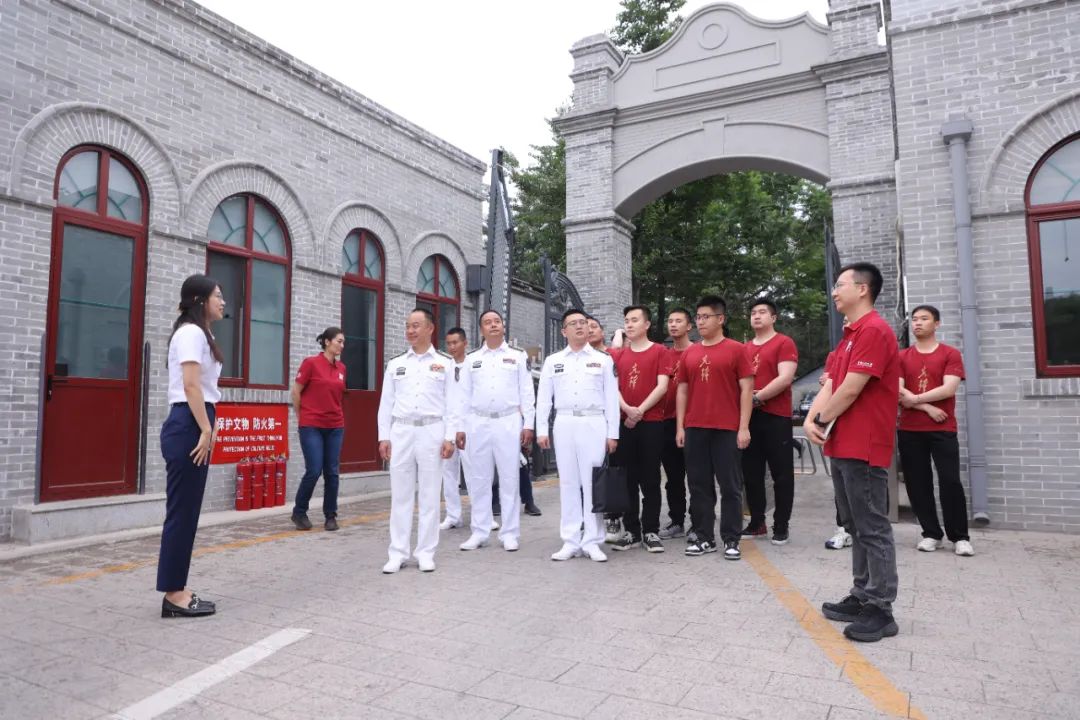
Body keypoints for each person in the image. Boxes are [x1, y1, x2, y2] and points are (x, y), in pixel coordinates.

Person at [805, 262, 901, 643]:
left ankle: (882, 608)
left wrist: (822, 418)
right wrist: (813, 420)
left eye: (840, 285)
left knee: (873, 526)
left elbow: (852, 388)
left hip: (864, 445)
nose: (834, 292)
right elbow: (831, 384)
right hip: (843, 443)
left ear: (862, 289)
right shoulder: (848, 337)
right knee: (856, 525)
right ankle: (863, 594)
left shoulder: (875, 331)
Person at [158, 274, 224, 618]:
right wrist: (206, 429)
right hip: (189, 424)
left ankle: (177, 587)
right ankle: (173, 594)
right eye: (217, 295)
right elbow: (190, 386)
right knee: (182, 514)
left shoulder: (202, 333)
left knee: (187, 513)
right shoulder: (190, 333)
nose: (223, 301)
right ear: (199, 300)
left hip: (194, 422)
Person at [377, 308, 459, 574]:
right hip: (401, 431)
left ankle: (425, 552)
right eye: (408, 326)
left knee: (429, 494)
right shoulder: (396, 363)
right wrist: (384, 436)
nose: (410, 331)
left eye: (416, 325)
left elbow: (453, 404)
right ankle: (398, 552)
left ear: (430, 329)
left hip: (431, 431)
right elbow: (385, 403)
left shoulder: (445, 363)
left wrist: (449, 437)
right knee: (400, 495)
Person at [536, 308, 620, 562]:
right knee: (569, 483)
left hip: (593, 422)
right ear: (564, 331)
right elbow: (543, 399)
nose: (580, 327)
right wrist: (542, 429)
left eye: (583, 323)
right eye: (573, 324)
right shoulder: (553, 361)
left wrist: (613, 433)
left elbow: (611, 399)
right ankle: (570, 540)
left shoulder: (603, 360)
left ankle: (593, 540)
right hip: (564, 422)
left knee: (593, 482)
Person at [675, 296, 754, 560]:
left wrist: (743, 427)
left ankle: (731, 539)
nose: (700, 321)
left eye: (705, 316)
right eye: (698, 317)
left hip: (727, 429)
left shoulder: (736, 349)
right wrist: (681, 426)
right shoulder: (690, 352)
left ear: (721, 319)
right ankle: (704, 537)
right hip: (695, 427)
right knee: (698, 486)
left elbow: (746, 389)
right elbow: (682, 390)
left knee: (730, 486)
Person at [456, 309, 536, 552]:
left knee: (509, 477)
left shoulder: (517, 356)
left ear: (503, 326)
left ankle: (509, 533)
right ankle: (479, 532)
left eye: (497, 322)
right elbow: (463, 396)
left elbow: (527, 392)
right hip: (478, 422)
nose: (492, 325)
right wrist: (460, 427)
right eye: (487, 323)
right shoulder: (471, 359)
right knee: (479, 479)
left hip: (508, 421)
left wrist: (528, 424)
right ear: (481, 329)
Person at [897, 305, 973, 556]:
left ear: (937, 324)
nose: (917, 323)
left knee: (950, 480)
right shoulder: (901, 356)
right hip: (910, 428)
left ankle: (960, 537)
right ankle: (931, 533)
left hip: (943, 428)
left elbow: (948, 389)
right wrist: (928, 407)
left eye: (924, 319)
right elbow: (898, 391)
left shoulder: (950, 354)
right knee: (918, 483)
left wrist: (916, 401)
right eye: (914, 319)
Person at [609, 305, 671, 553]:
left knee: (650, 478)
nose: (630, 325)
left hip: (652, 424)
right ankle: (632, 531)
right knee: (627, 480)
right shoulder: (619, 356)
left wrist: (639, 411)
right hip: (624, 424)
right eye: (626, 320)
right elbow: (612, 387)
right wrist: (627, 409)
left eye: (635, 320)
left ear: (647, 324)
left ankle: (651, 530)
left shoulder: (660, 351)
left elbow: (662, 386)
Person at [741, 298, 799, 544]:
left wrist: (758, 397)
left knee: (781, 475)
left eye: (762, 312)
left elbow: (785, 377)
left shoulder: (783, 343)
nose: (756, 316)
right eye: (753, 312)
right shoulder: (744, 348)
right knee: (751, 474)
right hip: (748, 419)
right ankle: (756, 523)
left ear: (773, 318)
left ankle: (781, 525)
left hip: (776, 417)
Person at [290, 327, 346, 532]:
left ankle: (330, 516)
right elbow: (296, 392)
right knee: (314, 470)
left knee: (332, 472)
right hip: (311, 425)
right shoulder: (311, 363)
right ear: (327, 342)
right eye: (339, 341)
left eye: (343, 342)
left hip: (335, 426)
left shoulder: (341, 368)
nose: (342, 345)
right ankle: (299, 512)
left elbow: (337, 397)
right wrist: (301, 416)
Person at [659, 308, 693, 540]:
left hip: (694, 423)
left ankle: (699, 521)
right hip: (667, 422)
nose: (673, 325)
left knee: (698, 476)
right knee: (673, 477)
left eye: (678, 321)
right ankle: (677, 520)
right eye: (670, 321)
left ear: (689, 326)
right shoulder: (663, 355)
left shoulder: (698, 352)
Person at [438, 327, 469, 532]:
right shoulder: (443, 367)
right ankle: (452, 515)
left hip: (467, 426)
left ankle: (482, 515)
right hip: (447, 425)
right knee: (448, 473)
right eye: (448, 343)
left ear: (464, 343)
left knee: (474, 472)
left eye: (455, 342)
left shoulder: (474, 366)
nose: (451, 347)